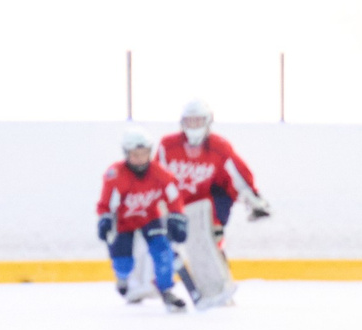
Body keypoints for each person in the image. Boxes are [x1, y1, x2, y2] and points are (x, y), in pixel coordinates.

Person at [159, 98, 270, 305]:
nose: (194, 126)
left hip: (211, 199)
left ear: (208, 121)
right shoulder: (168, 145)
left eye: (198, 120)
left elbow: (238, 174)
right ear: (182, 123)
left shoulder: (219, 147)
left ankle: (220, 285)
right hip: (180, 205)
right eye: (190, 121)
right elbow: (158, 177)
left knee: (211, 238)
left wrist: (255, 200)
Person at [96, 127, 189, 311]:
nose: (139, 158)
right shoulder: (115, 174)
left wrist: (177, 218)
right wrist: (104, 218)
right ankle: (122, 277)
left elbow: (173, 198)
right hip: (124, 222)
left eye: (144, 153)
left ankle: (166, 289)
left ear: (150, 152)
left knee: (162, 250)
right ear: (126, 154)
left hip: (150, 218)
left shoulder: (161, 174)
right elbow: (106, 201)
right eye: (135, 154)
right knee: (123, 261)